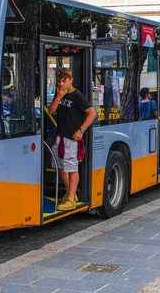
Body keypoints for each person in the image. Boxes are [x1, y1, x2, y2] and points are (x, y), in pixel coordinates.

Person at [48, 68, 96, 211]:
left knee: (72, 167)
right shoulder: (60, 94)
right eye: (60, 81)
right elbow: (51, 111)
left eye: (64, 80)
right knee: (60, 166)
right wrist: (58, 97)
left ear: (71, 80)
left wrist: (81, 130)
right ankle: (71, 193)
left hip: (71, 137)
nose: (62, 83)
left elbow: (92, 113)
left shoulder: (77, 96)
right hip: (60, 136)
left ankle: (71, 199)